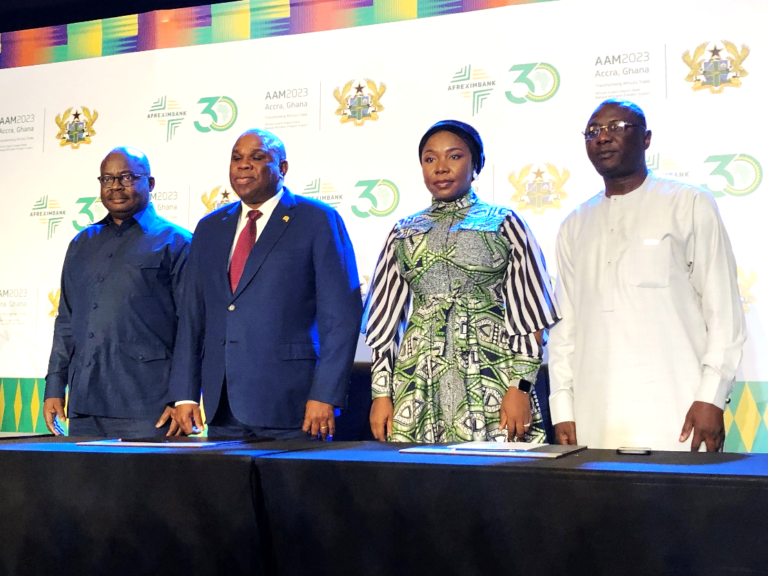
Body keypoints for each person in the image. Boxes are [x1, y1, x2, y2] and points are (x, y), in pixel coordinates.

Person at [548, 99, 746, 452]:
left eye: (616, 128)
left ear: (647, 139)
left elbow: (724, 312)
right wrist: (562, 408)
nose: (603, 138)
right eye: (593, 132)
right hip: (595, 418)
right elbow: (565, 329)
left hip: (680, 413)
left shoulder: (688, 204)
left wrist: (712, 398)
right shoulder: (574, 224)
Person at [364, 120, 560, 443]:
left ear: (476, 165)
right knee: (421, 486)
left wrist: (521, 387)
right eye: (430, 159)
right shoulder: (404, 230)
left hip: (491, 374)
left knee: (496, 482)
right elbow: (385, 324)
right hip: (418, 381)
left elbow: (530, 315)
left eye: (454, 157)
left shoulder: (503, 222)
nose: (441, 168)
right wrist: (381, 393)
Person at [170, 129, 362, 440]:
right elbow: (192, 317)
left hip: (293, 407)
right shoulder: (209, 228)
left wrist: (326, 394)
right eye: (236, 158)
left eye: (257, 158)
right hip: (223, 408)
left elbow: (341, 318)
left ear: (282, 168)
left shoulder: (317, 220)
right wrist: (185, 394)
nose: (243, 165)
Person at [43, 147, 192, 437]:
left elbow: (192, 326)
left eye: (126, 177)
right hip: (85, 404)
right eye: (107, 179)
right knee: (83, 484)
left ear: (149, 183)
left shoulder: (177, 242)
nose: (115, 187)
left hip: (151, 406)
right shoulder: (82, 243)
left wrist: (181, 396)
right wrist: (54, 386)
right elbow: (66, 322)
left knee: (144, 484)